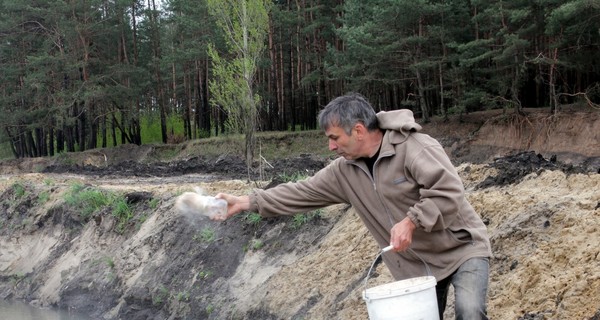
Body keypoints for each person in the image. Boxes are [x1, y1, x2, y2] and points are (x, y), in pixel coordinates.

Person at [215, 93, 493, 319]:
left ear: (358, 130)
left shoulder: (415, 147)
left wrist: (412, 222)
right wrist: (245, 202)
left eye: (334, 138)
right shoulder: (344, 172)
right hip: (416, 266)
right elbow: (302, 191)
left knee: (470, 312)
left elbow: (448, 191)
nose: (331, 147)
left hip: (460, 250)